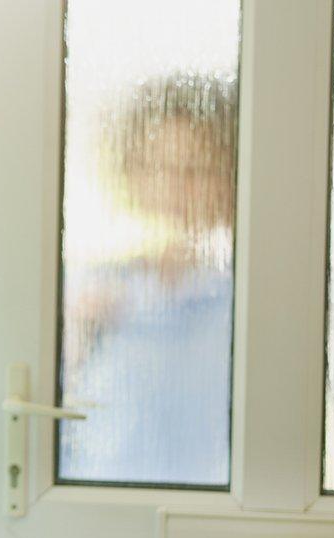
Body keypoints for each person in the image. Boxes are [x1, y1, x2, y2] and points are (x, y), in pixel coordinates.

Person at [59, 71, 237, 485]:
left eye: (198, 170)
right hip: (99, 501)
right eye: (159, 168)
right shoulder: (94, 291)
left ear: (232, 174)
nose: (177, 188)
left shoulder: (243, 294)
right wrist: (80, 336)